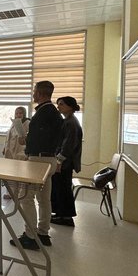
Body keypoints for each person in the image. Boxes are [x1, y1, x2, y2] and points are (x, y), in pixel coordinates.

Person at [11, 81, 63, 250]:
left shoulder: (42, 113)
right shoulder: (54, 113)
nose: (33, 94)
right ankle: (43, 233)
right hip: (50, 159)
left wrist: (25, 139)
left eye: (34, 91)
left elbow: (36, 140)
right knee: (44, 198)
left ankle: (30, 236)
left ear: (40, 93)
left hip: (38, 160)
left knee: (26, 197)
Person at [51, 97, 83, 227]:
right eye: (58, 104)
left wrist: (59, 161)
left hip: (65, 163)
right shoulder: (68, 121)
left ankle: (66, 217)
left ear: (70, 106)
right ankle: (60, 213)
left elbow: (68, 145)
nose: (58, 106)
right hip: (64, 161)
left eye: (61, 104)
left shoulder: (71, 123)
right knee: (59, 187)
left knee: (63, 188)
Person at [2, 107, 30, 200]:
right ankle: (10, 192)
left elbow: (28, 138)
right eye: (17, 113)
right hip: (9, 150)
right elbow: (8, 136)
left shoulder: (27, 123)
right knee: (9, 172)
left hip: (20, 151)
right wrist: (4, 147)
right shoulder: (14, 123)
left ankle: (19, 193)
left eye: (20, 113)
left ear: (24, 114)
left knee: (19, 172)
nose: (18, 115)